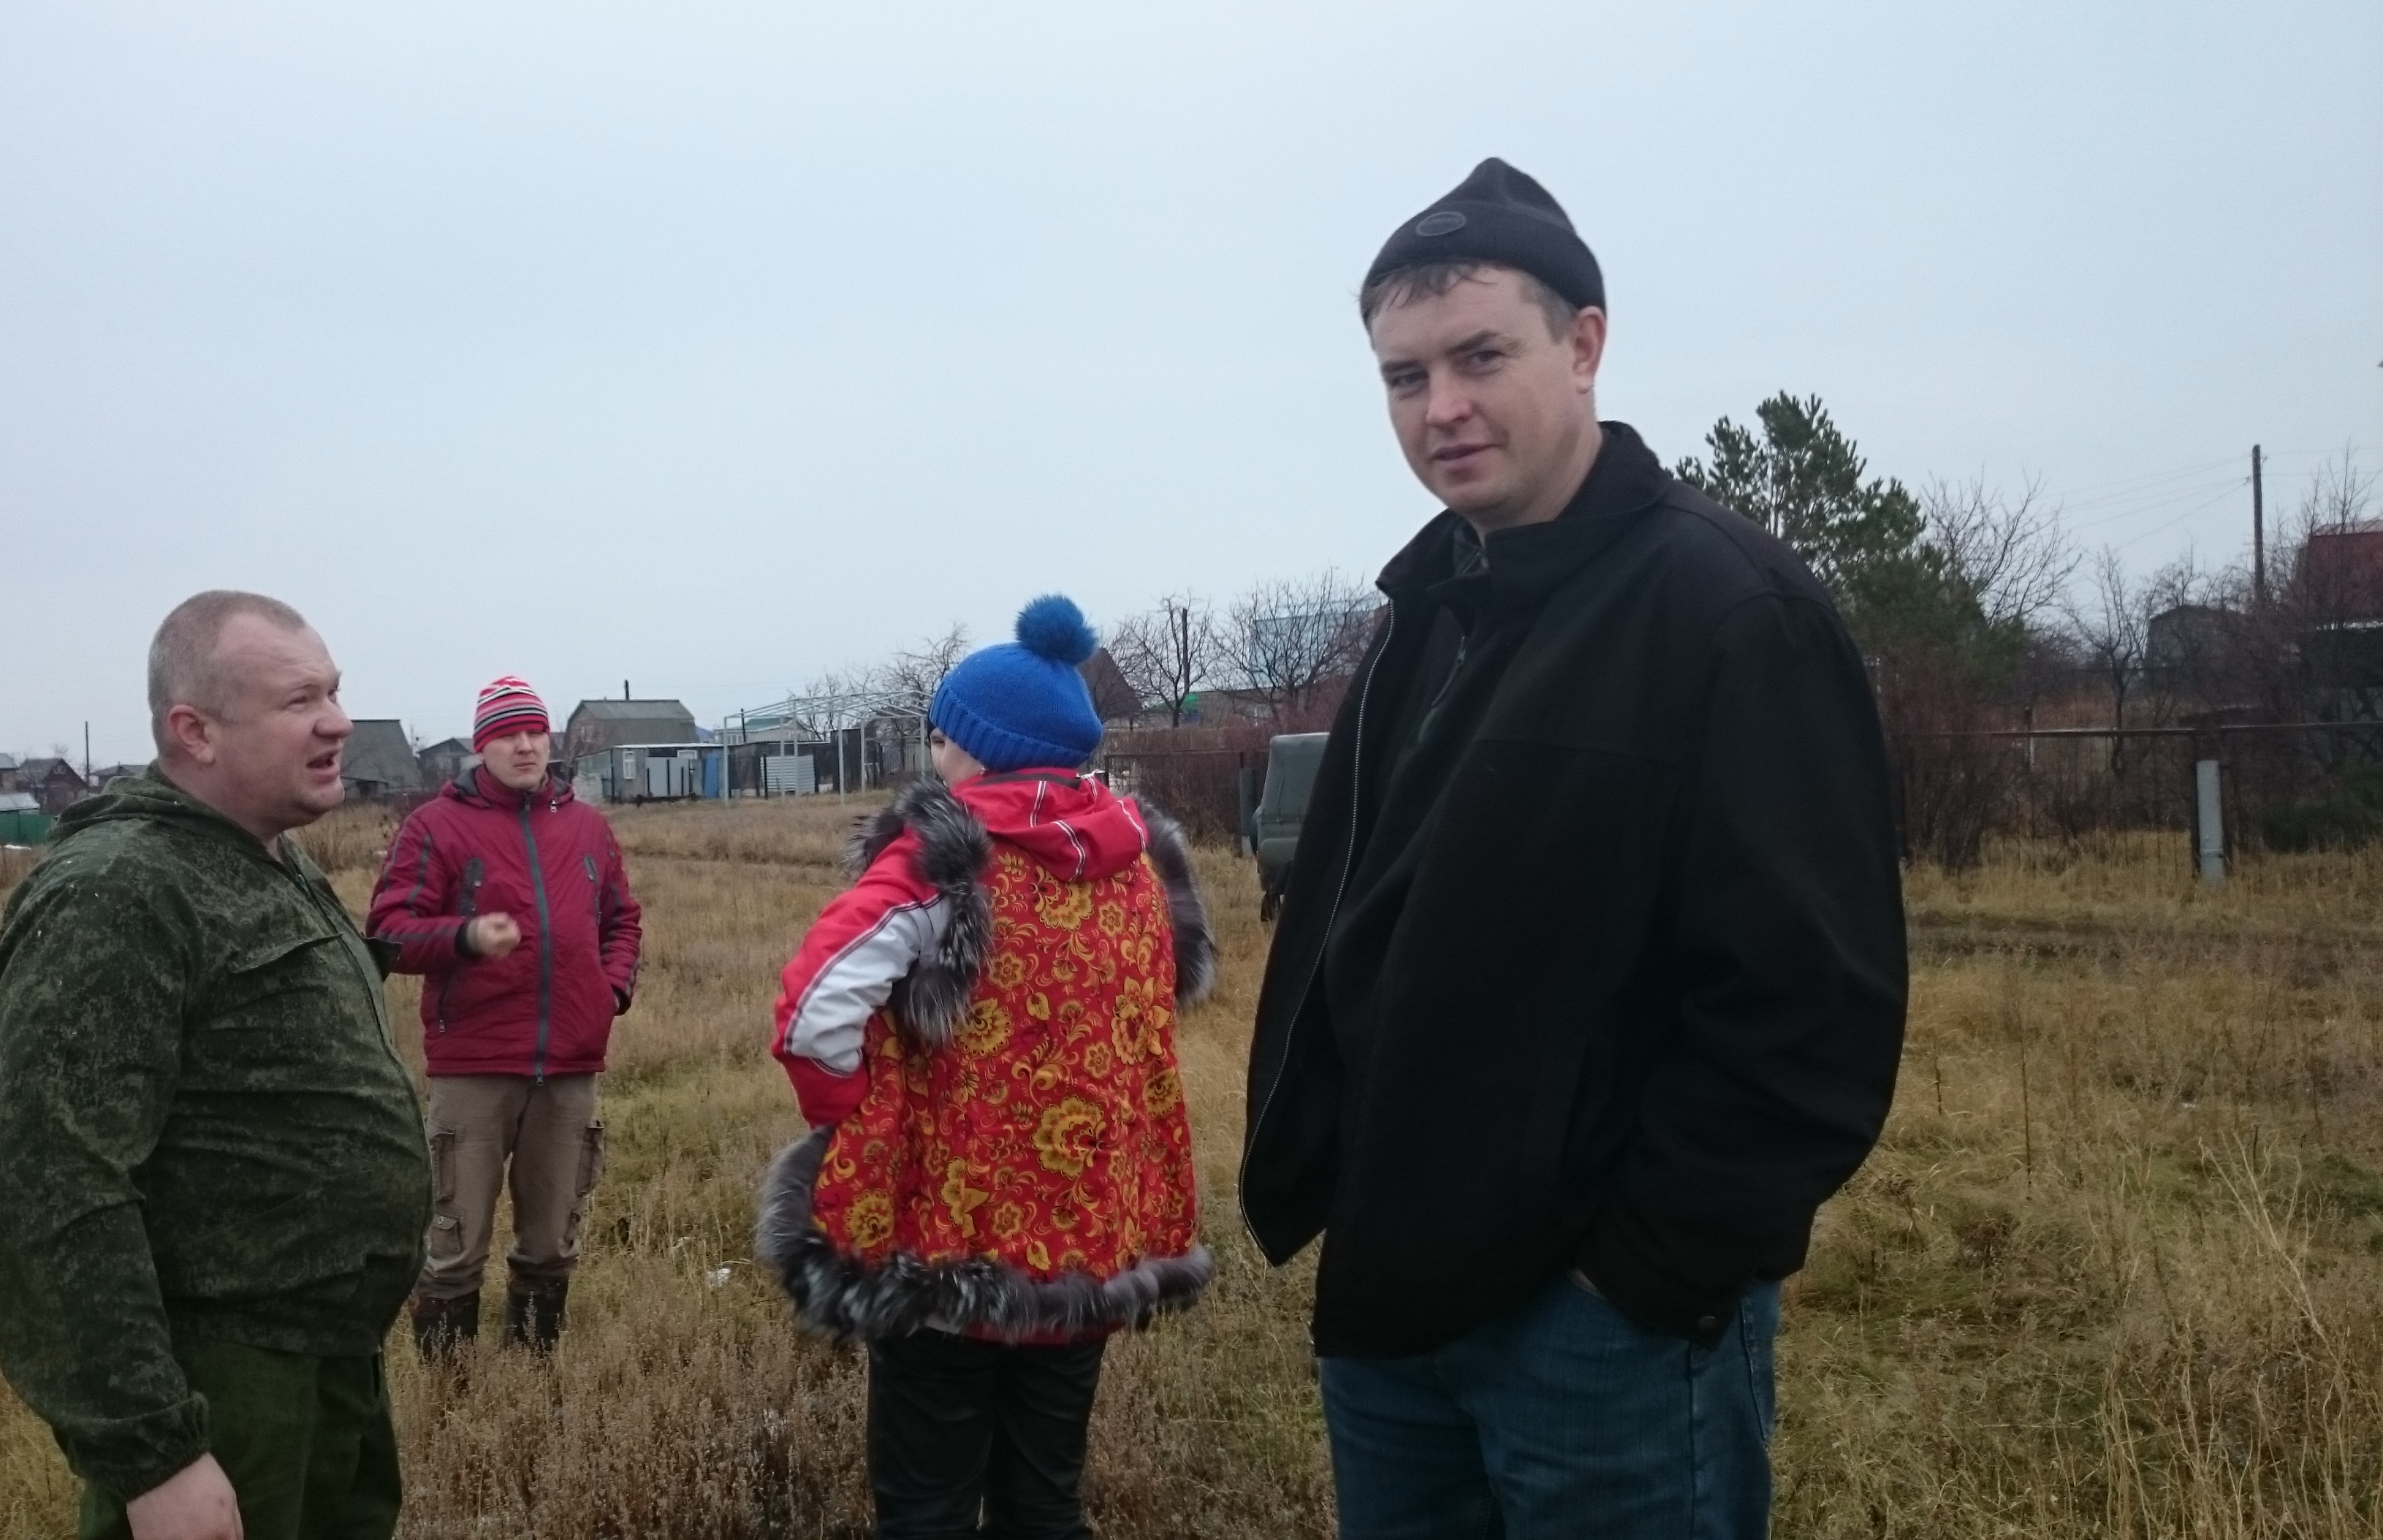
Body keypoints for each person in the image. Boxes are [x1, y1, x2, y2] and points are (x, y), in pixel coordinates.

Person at [1237, 159, 1910, 1538]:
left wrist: (1636, 1281)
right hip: (1392, 1307)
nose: (1441, 407)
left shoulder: (1728, 614)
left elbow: (1811, 1011)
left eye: (1480, 357)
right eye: (1405, 376)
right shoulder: (1431, 609)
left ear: (1586, 343)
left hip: (1604, 1341)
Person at [756, 596, 1216, 1540]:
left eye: (942, 736)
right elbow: (1180, 984)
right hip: (1089, 1243)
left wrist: (851, 1112)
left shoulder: (947, 856)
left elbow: (812, 1010)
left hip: (946, 1247)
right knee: (1044, 1502)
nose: (935, 755)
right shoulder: (1139, 860)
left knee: (926, 1504)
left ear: (981, 747)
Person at [0, 590, 430, 1540]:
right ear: (195, 731)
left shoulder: (268, 860)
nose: (339, 722)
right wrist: (156, 1457)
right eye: (300, 700)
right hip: (226, 1382)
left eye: (335, 692)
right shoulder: (119, 890)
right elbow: (57, 1189)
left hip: (330, 1359)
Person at [369, 673, 643, 1355]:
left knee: (552, 1245)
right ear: (482, 746)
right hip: (474, 1066)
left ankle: (532, 1375)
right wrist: (464, 937)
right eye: (508, 735)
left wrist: (610, 991)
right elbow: (389, 933)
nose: (525, 746)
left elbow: (622, 921)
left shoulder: (587, 827)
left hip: (570, 1066)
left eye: (535, 733)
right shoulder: (435, 827)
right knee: (455, 1246)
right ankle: (453, 1393)